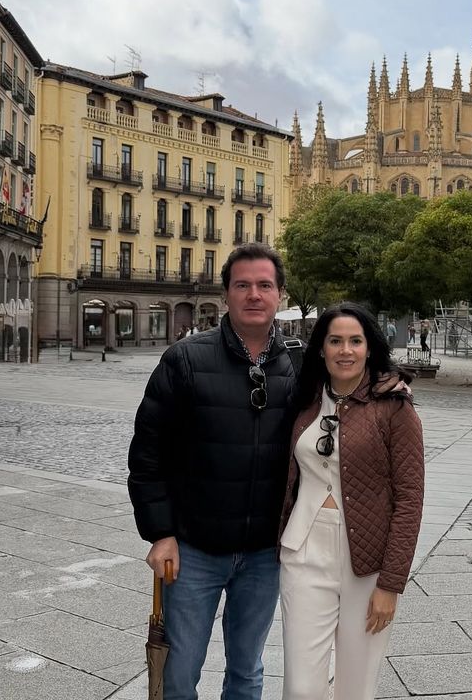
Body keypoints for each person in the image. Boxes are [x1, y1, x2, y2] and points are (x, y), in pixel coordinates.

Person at [128, 243, 304, 700]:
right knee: (179, 673)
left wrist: (392, 385)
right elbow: (148, 452)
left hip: (264, 553)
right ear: (226, 294)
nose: (254, 295)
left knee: (247, 672)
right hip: (193, 550)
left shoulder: (299, 365)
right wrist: (160, 534)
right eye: (242, 285)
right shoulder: (185, 359)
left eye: (264, 285)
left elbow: (353, 383)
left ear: (280, 294)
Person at [279, 302, 424, 700]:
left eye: (355, 341)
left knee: (355, 687)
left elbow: (410, 499)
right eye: (335, 341)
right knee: (301, 687)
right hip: (303, 551)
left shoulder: (394, 406)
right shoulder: (305, 399)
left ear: (369, 347)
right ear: (320, 349)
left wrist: (390, 584)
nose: (345, 350)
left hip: (368, 562)